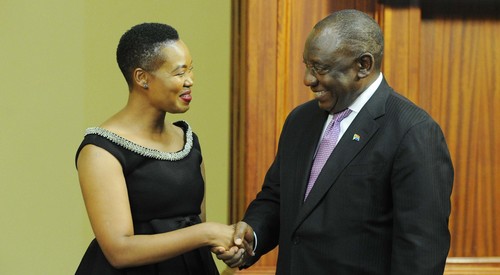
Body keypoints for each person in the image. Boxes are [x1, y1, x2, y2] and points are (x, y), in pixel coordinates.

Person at [216, 9, 454, 275]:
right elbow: (276, 198)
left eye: (321, 68)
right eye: (307, 66)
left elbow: (420, 251)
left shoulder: (413, 132)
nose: (308, 79)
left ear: (363, 65)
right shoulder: (300, 121)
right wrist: (253, 234)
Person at [75, 22, 234, 274]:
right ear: (142, 78)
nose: (190, 81)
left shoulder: (189, 142)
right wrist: (206, 233)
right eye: (179, 73)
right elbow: (119, 251)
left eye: (191, 70)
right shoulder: (101, 151)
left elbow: (195, 226)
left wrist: (227, 246)